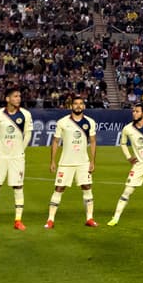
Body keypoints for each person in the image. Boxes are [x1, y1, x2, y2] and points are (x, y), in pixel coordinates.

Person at [0, 87, 32, 231]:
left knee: (18, 186)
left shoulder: (26, 114)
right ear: (7, 99)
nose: (18, 98)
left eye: (19, 96)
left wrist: (21, 149)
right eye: (15, 96)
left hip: (17, 157)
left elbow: (28, 134)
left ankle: (18, 220)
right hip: (0, 157)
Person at [47, 94, 98, 228]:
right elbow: (56, 141)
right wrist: (53, 161)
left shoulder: (90, 122)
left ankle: (90, 218)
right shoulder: (62, 122)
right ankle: (50, 220)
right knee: (58, 189)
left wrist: (92, 161)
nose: (78, 106)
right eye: (76, 103)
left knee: (87, 188)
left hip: (83, 162)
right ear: (71, 106)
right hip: (65, 162)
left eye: (81, 103)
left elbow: (92, 142)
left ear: (84, 106)